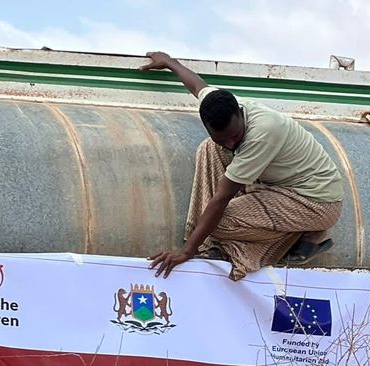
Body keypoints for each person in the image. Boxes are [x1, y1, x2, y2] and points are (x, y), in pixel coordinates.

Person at [142, 52, 344, 281]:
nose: (230, 144)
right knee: (209, 147)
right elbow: (198, 86)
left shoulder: (263, 132)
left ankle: (304, 235)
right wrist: (170, 62)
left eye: (235, 135)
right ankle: (208, 241)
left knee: (219, 223)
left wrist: (186, 252)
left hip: (316, 202)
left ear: (240, 112)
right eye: (222, 138)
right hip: (281, 187)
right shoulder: (220, 105)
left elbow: (221, 199)